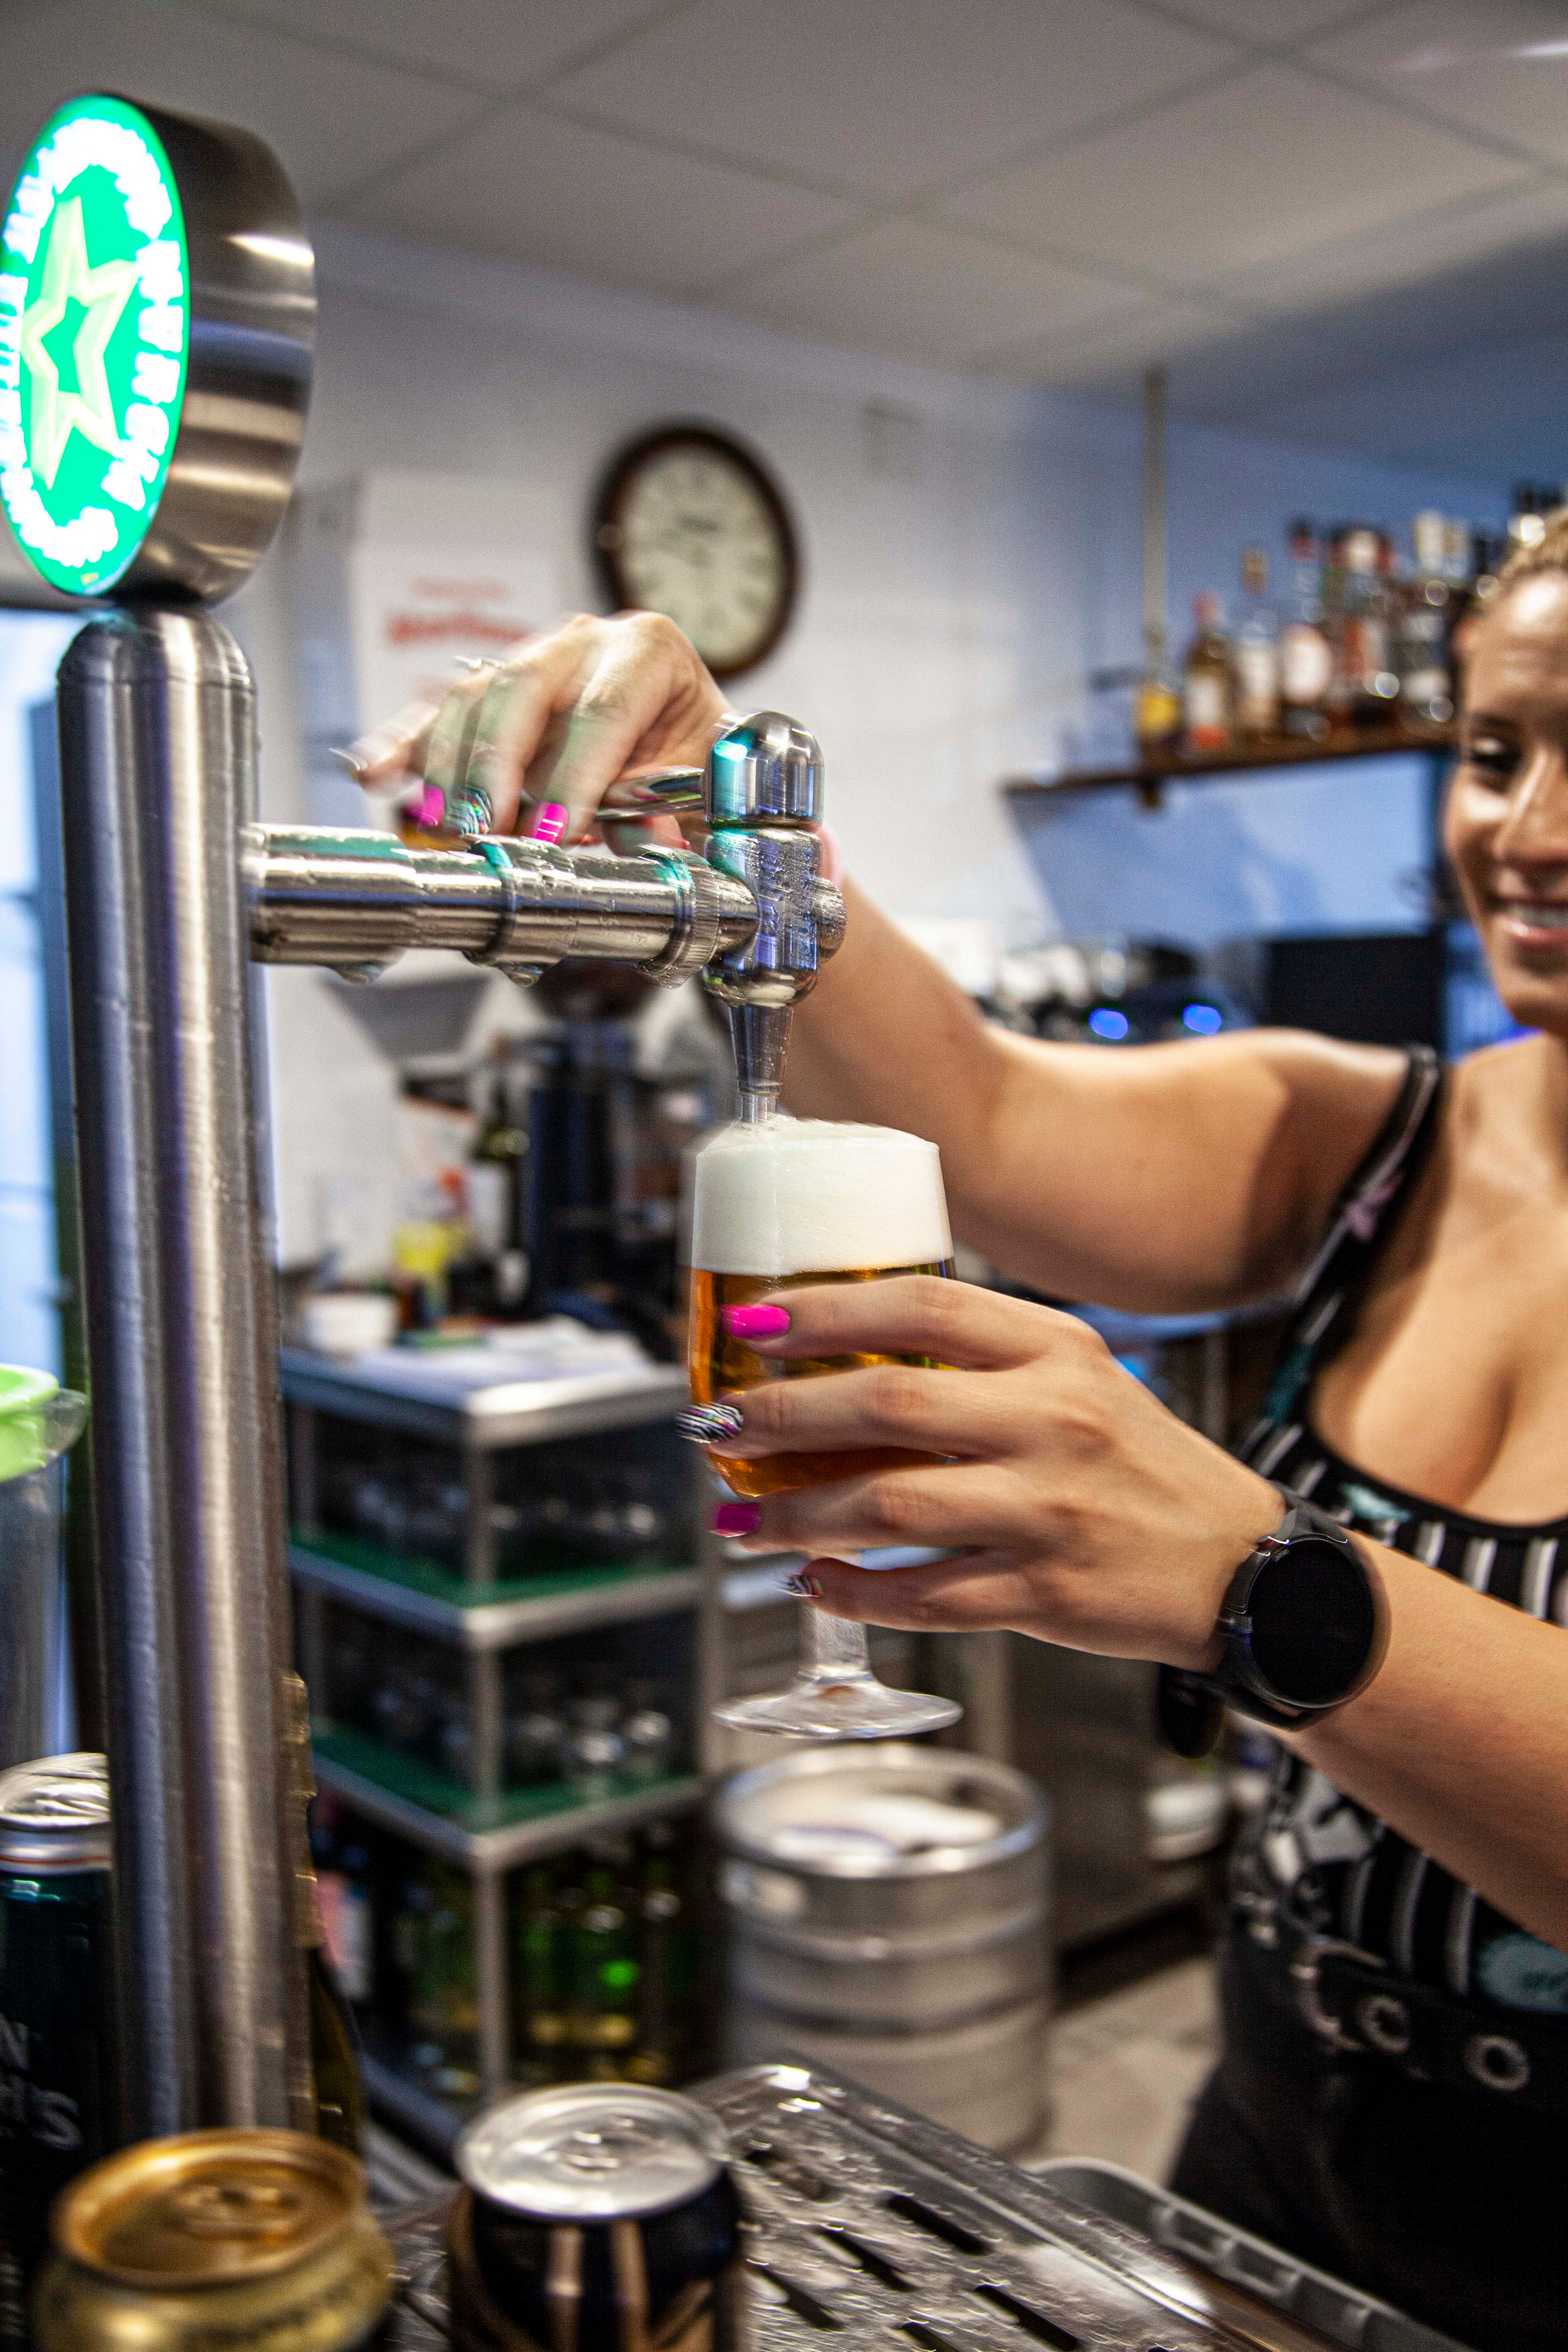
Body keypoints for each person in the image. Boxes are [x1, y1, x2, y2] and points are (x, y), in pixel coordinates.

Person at [350, 530, 1568, 2350]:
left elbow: (1273, 1589)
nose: (1529, 829)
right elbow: (979, 1114)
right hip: (1259, 2182)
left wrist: (1263, 1589)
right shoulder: (1371, 1141)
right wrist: (714, 826)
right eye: (1495, 751)